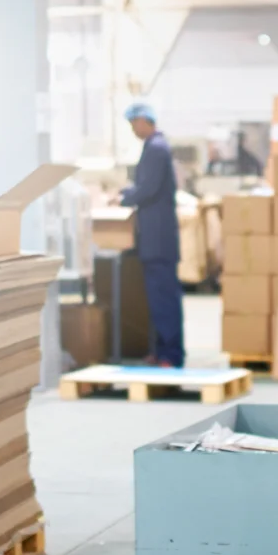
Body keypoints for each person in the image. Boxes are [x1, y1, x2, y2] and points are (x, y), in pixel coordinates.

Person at [119, 102, 184, 367]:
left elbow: (148, 189)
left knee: (164, 298)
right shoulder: (152, 147)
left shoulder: (157, 149)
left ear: (145, 120)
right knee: (157, 299)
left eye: (134, 123)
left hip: (159, 240)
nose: (133, 129)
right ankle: (161, 350)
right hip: (153, 239)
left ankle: (171, 354)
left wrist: (124, 200)